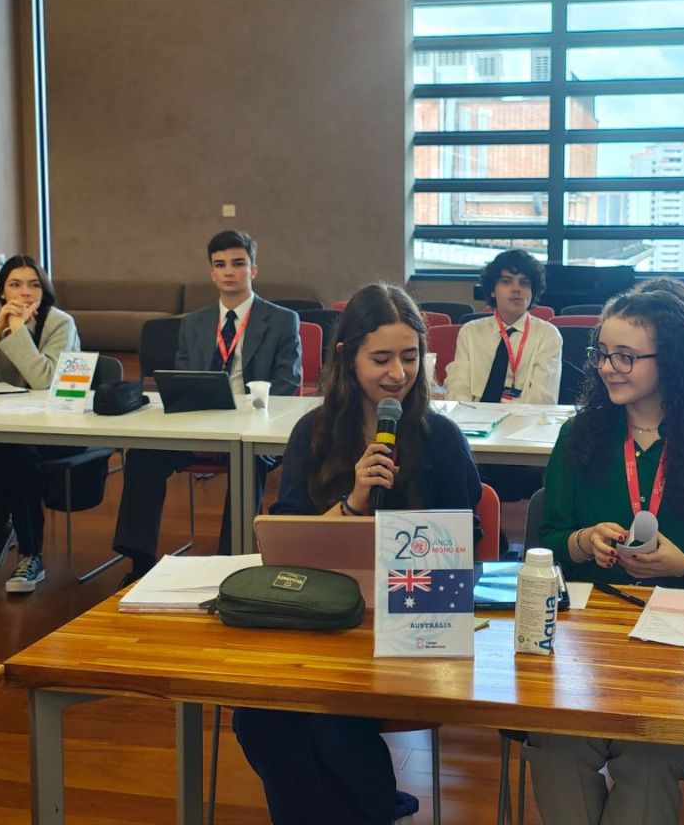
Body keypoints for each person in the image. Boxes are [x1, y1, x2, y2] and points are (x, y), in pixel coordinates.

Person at [234, 283, 481, 825]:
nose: (398, 373)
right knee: (257, 717)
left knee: (332, 720)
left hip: (415, 622)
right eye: (382, 359)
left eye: (410, 357)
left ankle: (371, 809)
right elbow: (287, 541)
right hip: (321, 620)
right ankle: (377, 809)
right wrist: (353, 502)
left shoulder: (440, 437)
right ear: (347, 358)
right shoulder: (313, 432)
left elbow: (468, 547)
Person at [526, 291, 684, 825]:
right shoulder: (578, 437)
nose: (608, 367)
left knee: (652, 757)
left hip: (680, 649)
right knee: (556, 745)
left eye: (626, 357)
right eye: (602, 354)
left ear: (670, 361)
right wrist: (583, 541)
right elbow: (547, 543)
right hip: (587, 642)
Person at [112, 230, 301, 582]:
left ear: (253, 269)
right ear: (212, 273)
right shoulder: (194, 323)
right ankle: (139, 562)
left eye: (238, 263)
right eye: (220, 264)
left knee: (250, 462)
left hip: (252, 428)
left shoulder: (281, 320)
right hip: (200, 424)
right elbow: (184, 378)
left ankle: (230, 563)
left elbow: (287, 385)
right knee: (143, 454)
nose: (229, 271)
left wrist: (245, 413)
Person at [0, 255, 80, 593]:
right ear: (2, 292)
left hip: (63, 429)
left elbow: (45, 381)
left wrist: (19, 331)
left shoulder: (60, 324)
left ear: (44, 290)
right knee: (6, 442)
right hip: (14, 430)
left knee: (12, 447)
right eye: (15, 284)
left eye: (33, 285)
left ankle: (23, 548)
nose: (25, 292)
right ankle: (0, 533)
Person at [445, 248, 562, 506]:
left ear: (533, 291)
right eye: (506, 281)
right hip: (474, 437)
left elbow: (542, 400)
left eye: (524, 283)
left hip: (521, 438)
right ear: (492, 289)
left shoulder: (547, 335)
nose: (516, 289)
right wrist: (473, 424)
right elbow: (457, 391)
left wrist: (498, 423)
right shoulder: (470, 332)